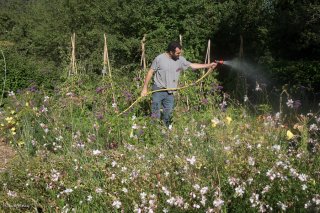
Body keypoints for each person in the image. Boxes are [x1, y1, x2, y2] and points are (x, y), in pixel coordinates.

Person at [141, 41, 218, 127]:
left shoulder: (180, 59)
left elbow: (192, 65)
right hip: (158, 89)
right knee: (155, 113)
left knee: (168, 113)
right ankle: (153, 131)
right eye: (177, 53)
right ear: (171, 52)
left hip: (170, 92)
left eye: (180, 53)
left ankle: (166, 131)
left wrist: (209, 65)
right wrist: (145, 88)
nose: (179, 54)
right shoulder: (159, 59)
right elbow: (150, 72)